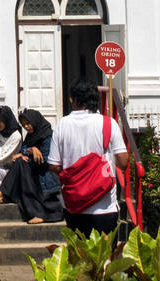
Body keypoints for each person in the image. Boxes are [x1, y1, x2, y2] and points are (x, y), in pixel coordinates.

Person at [48, 80, 128, 236]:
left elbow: (53, 165)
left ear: (74, 100)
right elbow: (123, 162)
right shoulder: (108, 123)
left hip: (74, 205)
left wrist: (75, 176)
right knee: (104, 258)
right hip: (105, 206)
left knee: (79, 257)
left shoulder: (62, 124)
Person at [0, 109, 63, 224]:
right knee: (19, 162)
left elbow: (44, 161)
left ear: (35, 121)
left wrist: (27, 155)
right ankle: (0, 194)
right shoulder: (30, 136)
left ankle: (0, 194)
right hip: (34, 173)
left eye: (28, 123)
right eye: (24, 125)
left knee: (20, 162)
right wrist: (31, 150)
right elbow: (22, 151)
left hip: (45, 177)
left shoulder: (48, 136)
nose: (27, 127)